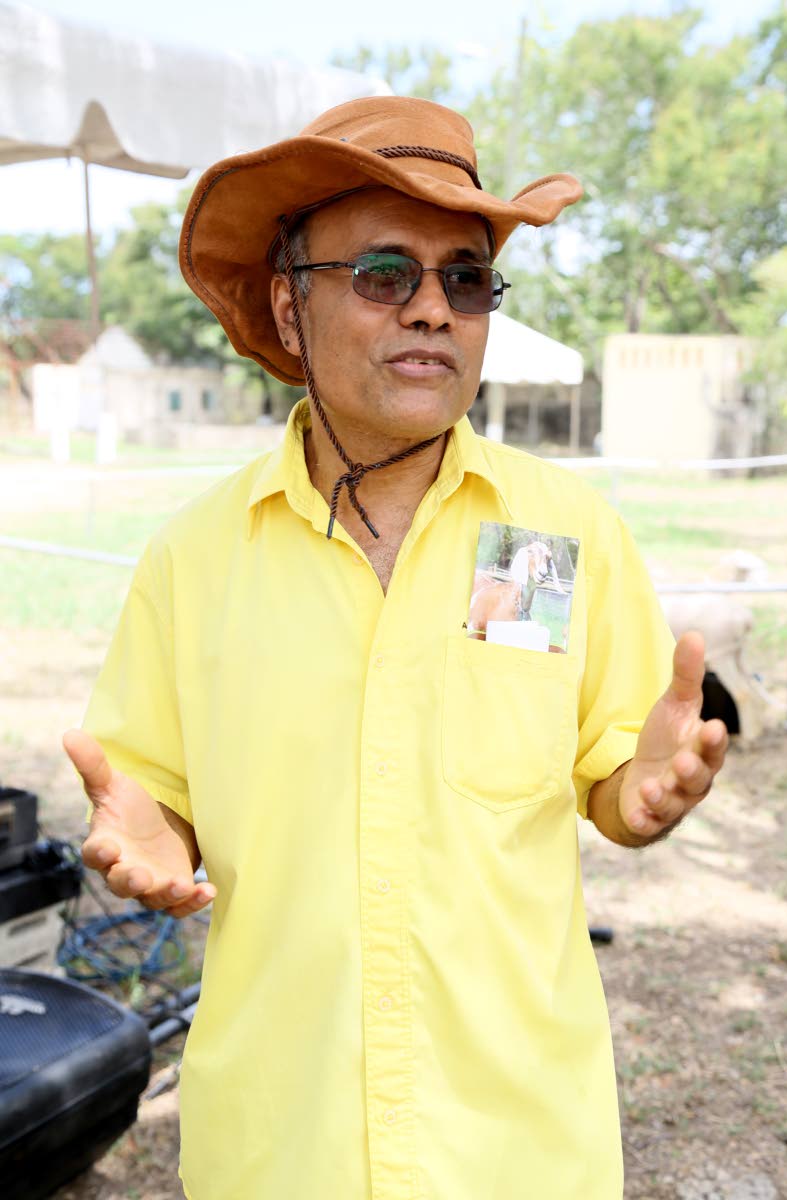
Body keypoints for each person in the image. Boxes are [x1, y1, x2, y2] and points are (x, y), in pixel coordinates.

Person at [63, 96, 729, 1200]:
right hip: (279, 1152)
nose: (432, 310)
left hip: (518, 1152)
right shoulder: (193, 560)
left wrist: (641, 789)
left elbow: (607, 781)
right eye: (384, 273)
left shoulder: (551, 538)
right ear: (287, 304)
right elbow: (152, 800)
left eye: (464, 279)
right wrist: (154, 827)